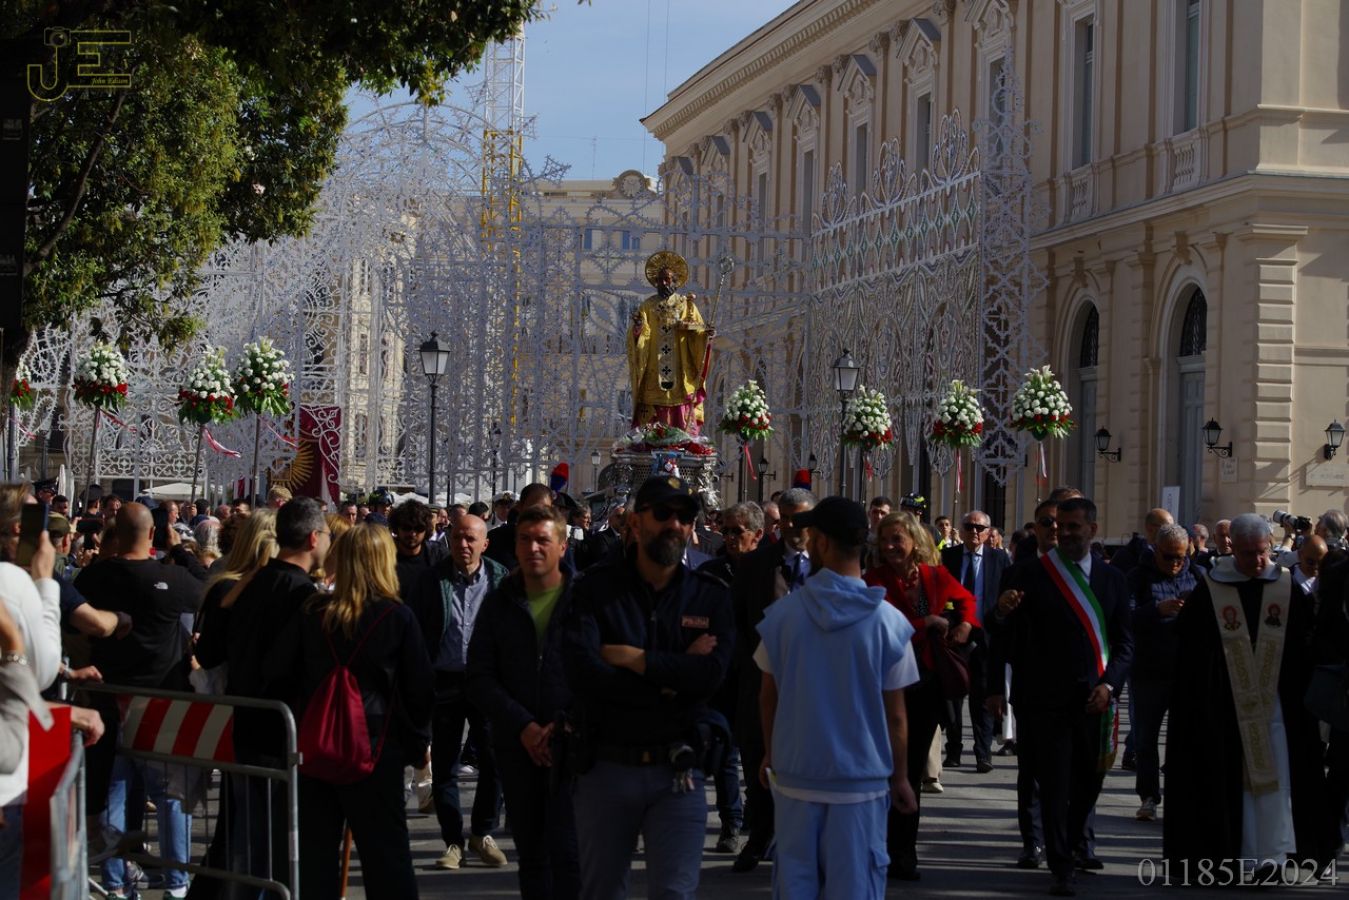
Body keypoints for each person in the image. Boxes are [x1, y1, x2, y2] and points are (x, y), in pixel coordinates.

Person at [563, 475, 733, 899]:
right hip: (607, 766)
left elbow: (712, 676)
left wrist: (635, 660)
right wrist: (673, 680)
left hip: (679, 772)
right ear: (636, 524)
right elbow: (585, 673)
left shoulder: (708, 595)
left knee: (675, 892)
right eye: (663, 514)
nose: (675, 524)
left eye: (685, 517)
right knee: (601, 891)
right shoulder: (595, 590)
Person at [757, 496, 919, 899]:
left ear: (823, 543)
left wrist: (771, 753)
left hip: (797, 776)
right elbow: (896, 715)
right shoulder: (889, 622)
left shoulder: (783, 617)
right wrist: (900, 775)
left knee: (795, 886)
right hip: (860, 782)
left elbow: (768, 696)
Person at [1164, 513, 1336, 877]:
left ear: (1270, 546)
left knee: (1281, 776)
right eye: (1247, 554)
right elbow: (1193, 655)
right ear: (1232, 549)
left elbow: (1306, 646)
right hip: (1227, 709)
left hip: (1279, 708)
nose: (1257, 561)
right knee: (1233, 781)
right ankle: (1235, 853)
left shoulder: (1286, 588)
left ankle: (1274, 854)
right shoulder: (1212, 589)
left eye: (1262, 552)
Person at [266, 525, 433, 898]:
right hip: (377, 748)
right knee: (387, 856)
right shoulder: (397, 616)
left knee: (316, 856)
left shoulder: (313, 612)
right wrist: (415, 743)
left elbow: (279, 671)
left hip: (317, 746)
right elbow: (419, 689)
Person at [986, 497, 1132, 896]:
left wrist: (1110, 685)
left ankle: (1073, 840)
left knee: (1088, 782)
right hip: (1043, 701)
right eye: (1058, 526)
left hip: (1094, 700)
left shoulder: (1112, 579)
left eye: (1073, 527)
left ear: (1092, 530)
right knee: (1053, 784)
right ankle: (1061, 864)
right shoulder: (1028, 573)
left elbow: (1124, 643)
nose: (1063, 533)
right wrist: (1000, 613)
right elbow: (1000, 632)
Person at [192, 497, 328, 892]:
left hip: (248, 724)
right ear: (313, 538)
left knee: (246, 835)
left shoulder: (247, 586)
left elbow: (209, 651)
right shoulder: (301, 594)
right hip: (280, 730)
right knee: (266, 842)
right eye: (327, 535)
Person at [76, 502, 203, 899]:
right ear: (152, 535)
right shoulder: (173, 578)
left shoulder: (94, 577)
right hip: (159, 702)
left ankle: (116, 883)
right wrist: (178, 548)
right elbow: (207, 585)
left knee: (113, 791)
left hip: (108, 699)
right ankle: (177, 884)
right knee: (169, 798)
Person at [467, 506, 579, 899]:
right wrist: (524, 726)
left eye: (543, 540)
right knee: (532, 855)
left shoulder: (583, 600)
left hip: (574, 748)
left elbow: (599, 670)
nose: (533, 548)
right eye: (525, 539)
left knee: (571, 853)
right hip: (517, 746)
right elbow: (480, 675)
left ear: (562, 546)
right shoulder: (499, 603)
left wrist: (564, 724)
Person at [865, 511, 977, 880]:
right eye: (885, 540)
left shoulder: (933, 576)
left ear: (915, 541)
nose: (890, 546)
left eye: (897, 539)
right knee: (886, 768)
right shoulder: (874, 580)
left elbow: (968, 601)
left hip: (926, 683)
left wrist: (965, 623)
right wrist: (924, 623)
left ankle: (904, 851)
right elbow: (877, 629)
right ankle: (879, 846)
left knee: (912, 769)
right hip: (887, 684)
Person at [409, 513, 508, 869]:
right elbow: (417, 628)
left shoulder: (500, 579)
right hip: (445, 682)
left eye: (470, 539)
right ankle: (453, 841)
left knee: (494, 761)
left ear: (485, 544)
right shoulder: (431, 580)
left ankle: (482, 832)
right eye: (456, 538)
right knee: (445, 765)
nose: (462, 545)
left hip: (486, 681)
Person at [730, 487, 816, 873]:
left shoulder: (828, 564)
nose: (794, 526)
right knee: (759, 760)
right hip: (762, 678)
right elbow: (736, 619)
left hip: (813, 685)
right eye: (787, 519)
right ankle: (759, 834)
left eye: (802, 519)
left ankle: (801, 839)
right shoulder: (756, 564)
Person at [697, 501, 764, 853]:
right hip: (721, 673)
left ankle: (758, 818)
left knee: (756, 751)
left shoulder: (769, 570)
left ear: (757, 534)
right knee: (725, 752)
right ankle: (731, 822)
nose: (731, 537)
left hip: (759, 672)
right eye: (726, 531)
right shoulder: (710, 571)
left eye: (738, 531)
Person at [1125, 523, 1196, 823]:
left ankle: (1183, 797)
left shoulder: (1197, 575)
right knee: (1146, 739)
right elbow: (1124, 619)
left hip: (1185, 670)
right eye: (1169, 557)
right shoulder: (1137, 578)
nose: (1175, 564)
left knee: (1185, 739)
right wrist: (1156, 611)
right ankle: (1149, 796)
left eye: (1181, 557)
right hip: (1148, 671)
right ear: (1156, 551)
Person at [940, 509, 1010, 773]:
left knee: (983, 697)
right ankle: (953, 750)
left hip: (986, 635)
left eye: (980, 528)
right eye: (969, 527)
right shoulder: (948, 557)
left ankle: (983, 752)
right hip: (954, 635)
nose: (974, 532)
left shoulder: (999, 559)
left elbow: (1005, 595)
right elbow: (938, 594)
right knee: (953, 696)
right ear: (961, 529)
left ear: (988, 532)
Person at [627, 251, 715, 432]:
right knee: (653, 422)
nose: (664, 283)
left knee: (680, 418)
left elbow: (698, 333)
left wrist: (706, 335)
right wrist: (638, 330)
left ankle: (682, 442)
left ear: (675, 281)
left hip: (680, 371)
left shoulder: (686, 304)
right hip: (654, 372)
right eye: (660, 280)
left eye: (667, 279)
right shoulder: (647, 306)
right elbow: (640, 335)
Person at [390, 499, 447, 600]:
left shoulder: (438, 554)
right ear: (396, 528)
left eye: (419, 528)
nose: (412, 534)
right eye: (406, 528)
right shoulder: (386, 556)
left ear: (426, 530)